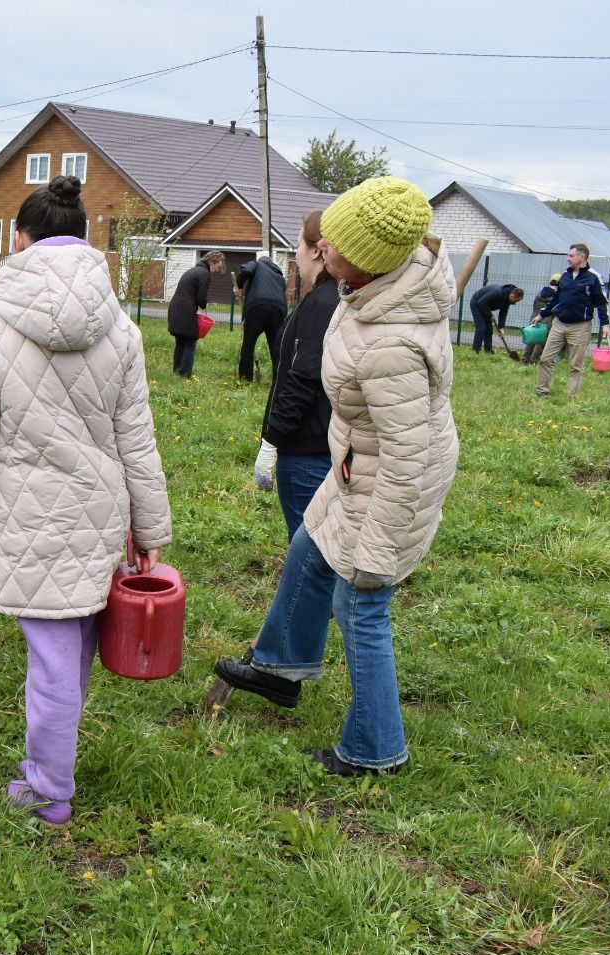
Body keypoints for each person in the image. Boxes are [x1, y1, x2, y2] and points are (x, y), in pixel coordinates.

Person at [0, 175, 171, 823]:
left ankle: (48, 787)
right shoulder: (121, 329)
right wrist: (148, 527)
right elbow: (139, 438)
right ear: (86, 238)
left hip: (27, 520)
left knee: (50, 662)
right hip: (102, 518)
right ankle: (52, 769)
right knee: (68, 659)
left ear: (19, 239)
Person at [213, 176, 458, 777]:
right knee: (309, 544)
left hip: (388, 481)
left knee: (361, 605)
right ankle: (281, 666)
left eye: (335, 244)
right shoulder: (376, 291)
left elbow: (406, 458)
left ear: (368, 257)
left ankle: (375, 749)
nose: (322, 249)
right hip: (357, 466)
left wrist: (376, 550)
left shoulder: (391, 344)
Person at [254, 210, 339, 539]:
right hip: (318, 446)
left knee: (312, 556)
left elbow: (303, 380)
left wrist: (271, 441)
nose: (295, 255)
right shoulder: (326, 299)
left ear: (318, 250)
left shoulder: (322, 304)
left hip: (307, 453)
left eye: (298, 246)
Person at [533, 243, 610, 398]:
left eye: (571, 256)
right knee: (545, 359)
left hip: (580, 327)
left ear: (582, 257)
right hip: (559, 324)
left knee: (576, 365)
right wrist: (541, 315)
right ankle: (542, 392)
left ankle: (571, 397)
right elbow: (555, 299)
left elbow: (601, 302)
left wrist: (605, 324)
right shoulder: (565, 276)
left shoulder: (593, 277)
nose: (568, 259)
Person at [168, 250, 223, 378]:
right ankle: (184, 374)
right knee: (191, 340)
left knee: (181, 341)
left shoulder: (194, 270)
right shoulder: (204, 273)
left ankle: (177, 370)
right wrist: (204, 304)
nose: (216, 270)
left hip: (175, 308)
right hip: (185, 311)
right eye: (217, 266)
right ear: (211, 262)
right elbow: (201, 297)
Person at [235, 255, 287, 382]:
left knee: (248, 344)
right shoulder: (279, 275)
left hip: (257, 307)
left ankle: (245, 379)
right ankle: (279, 380)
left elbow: (245, 270)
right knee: (276, 348)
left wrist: (239, 285)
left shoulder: (257, 264)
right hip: (278, 310)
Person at [468, 282, 524, 355]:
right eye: (516, 301)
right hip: (477, 303)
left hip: (486, 306)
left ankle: (488, 351)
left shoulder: (507, 299)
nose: (516, 303)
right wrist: (490, 315)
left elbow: (503, 314)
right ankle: (475, 351)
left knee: (489, 329)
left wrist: (501, 328)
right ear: (512, 296)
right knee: (481, 328)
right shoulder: (498, 293)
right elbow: (481, 302)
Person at [524, 274, 560, 364]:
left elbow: (535, 304)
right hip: (547, 320)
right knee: (541, 342)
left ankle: (525, 359)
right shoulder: (557, 295)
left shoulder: (540, 292)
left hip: (535, 317)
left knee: (531, 339)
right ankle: (534, 360)